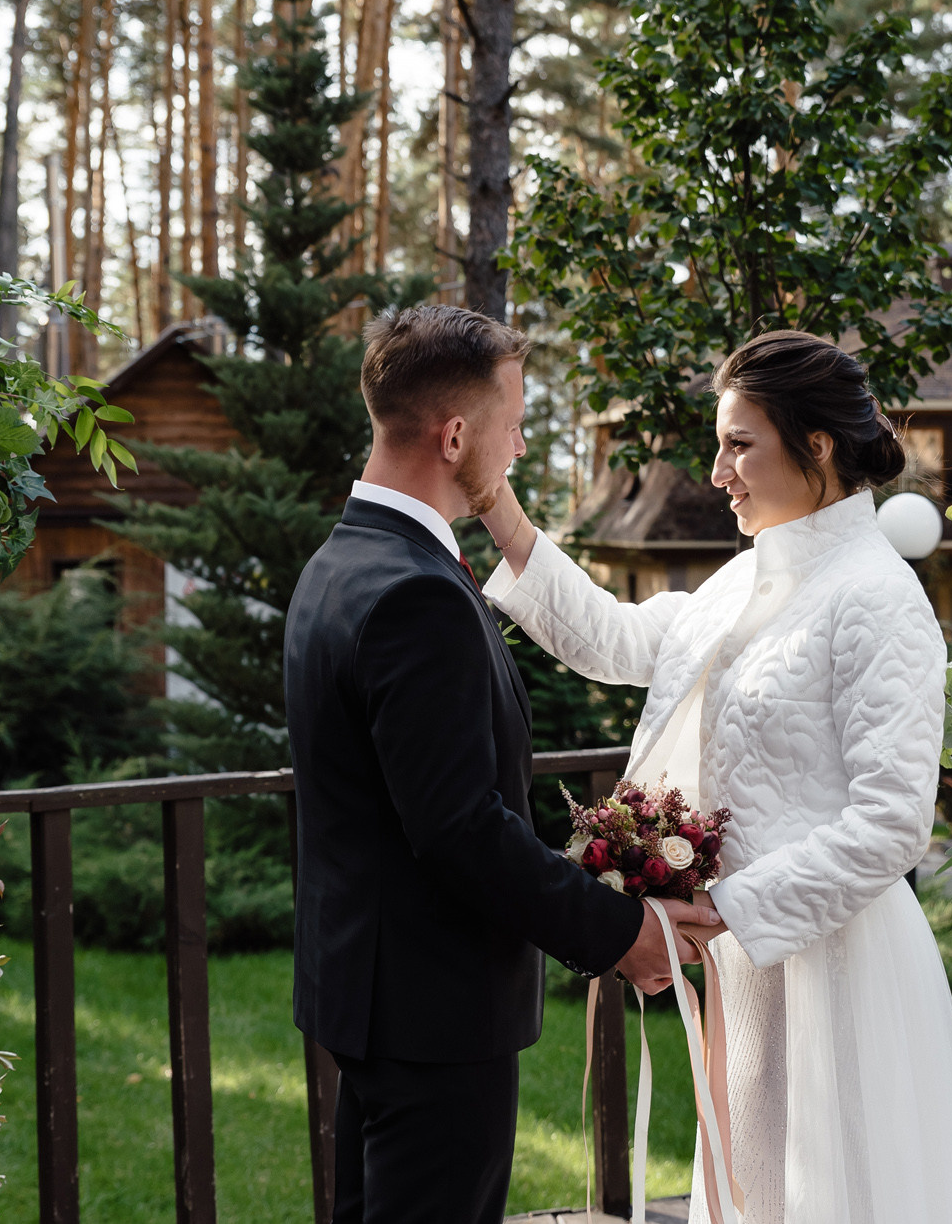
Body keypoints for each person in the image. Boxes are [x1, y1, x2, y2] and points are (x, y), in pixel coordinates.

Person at [479, 329, 952, 1224]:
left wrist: (723, 910)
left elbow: (893, 822)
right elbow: (611, 637)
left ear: (818, 445)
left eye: (738, 443)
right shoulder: (739, 580)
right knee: (754, 1190)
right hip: (752, 967)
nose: (717, 470)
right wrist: (497, 506)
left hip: (841, 965)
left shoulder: (878, 595)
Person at [284, 303, 723, 1224]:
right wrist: (618, 932)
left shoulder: (341, 561)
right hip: (434, 1014)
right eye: (515, 422)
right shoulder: (415, 593)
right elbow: (458, 828)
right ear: (454, 434)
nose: (521, 444)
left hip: (369, 997)